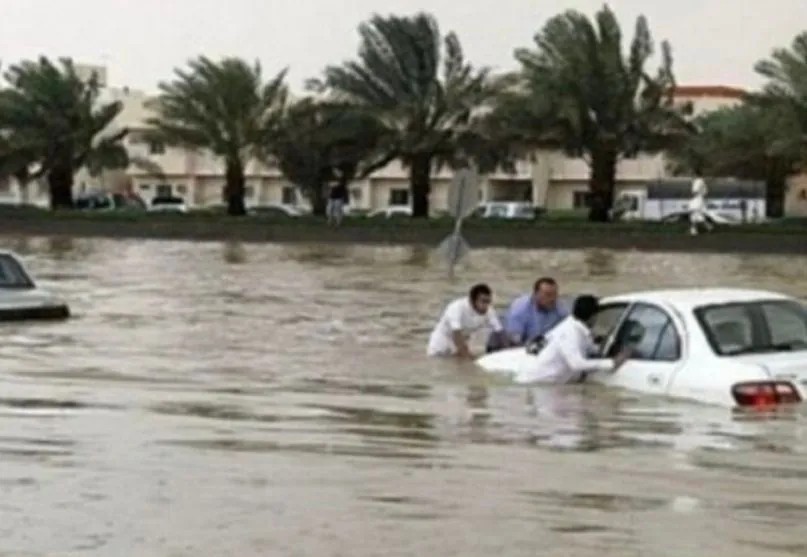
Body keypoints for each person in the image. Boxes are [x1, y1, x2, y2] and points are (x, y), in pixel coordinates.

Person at [515, 294, 631, 384]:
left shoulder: (577, 329)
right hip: (538, 384)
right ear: (593, 316)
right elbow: (576, 364)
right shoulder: (569, 332)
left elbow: (592, 349)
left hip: (549, 385)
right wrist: (612, 363)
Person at [486, 277, 568, 352]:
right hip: (507, 345)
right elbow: (513, 343)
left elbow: (566, 333)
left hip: (540, 346)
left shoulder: (559, 308)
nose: (553, 299)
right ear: (536, 294)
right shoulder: (520, 310)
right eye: (548, 295)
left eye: (555, 295)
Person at [427, 283, 505, 359]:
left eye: (488, 301)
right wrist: (468, 358)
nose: (486, 306)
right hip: (440, 345)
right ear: (472, 300)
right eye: (483, 301)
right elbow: (456, 334)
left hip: (460, 345)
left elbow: (500, 332)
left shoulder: (489, 311)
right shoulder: (456, 308)